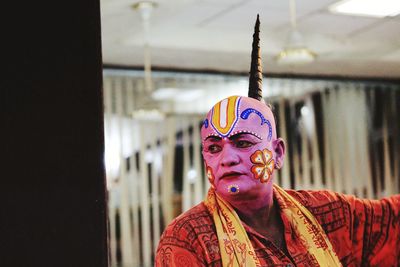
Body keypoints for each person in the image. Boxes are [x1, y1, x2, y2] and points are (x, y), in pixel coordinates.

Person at [155, 15, 400, 266]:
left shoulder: (325, 214)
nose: (227, 158)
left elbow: (392, 221)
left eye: (243, 143)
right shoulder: (187, 238)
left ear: (278, 153)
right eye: (214, 148)